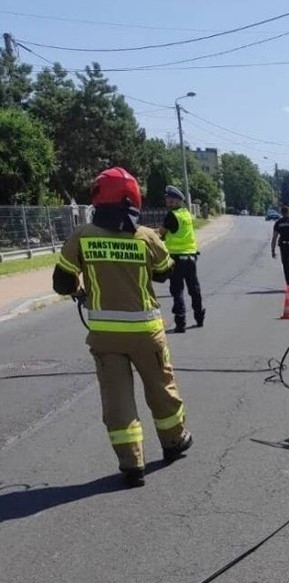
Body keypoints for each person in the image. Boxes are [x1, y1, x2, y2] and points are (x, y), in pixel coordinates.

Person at [52, 167, 193, 488]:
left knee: (117, 400)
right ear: (133, 200)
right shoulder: (144, 236)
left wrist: (80, 291)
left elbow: (62, 283)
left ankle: (132, 464)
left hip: (106, 337)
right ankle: (174, 442)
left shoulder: (82, 236)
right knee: (161, 388)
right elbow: (165, 272)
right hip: (147, 333)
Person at [160, 185, 205, 333]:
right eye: (167, 199)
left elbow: (161, 233)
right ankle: (199, 317)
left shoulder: (171, 215)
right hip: (191, 256)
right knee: (194, 288)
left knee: (177, 290)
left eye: (170, 199)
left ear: (177, 200)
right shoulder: (186, 213)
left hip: (177, 258)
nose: (168, 202)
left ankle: (181, 322)